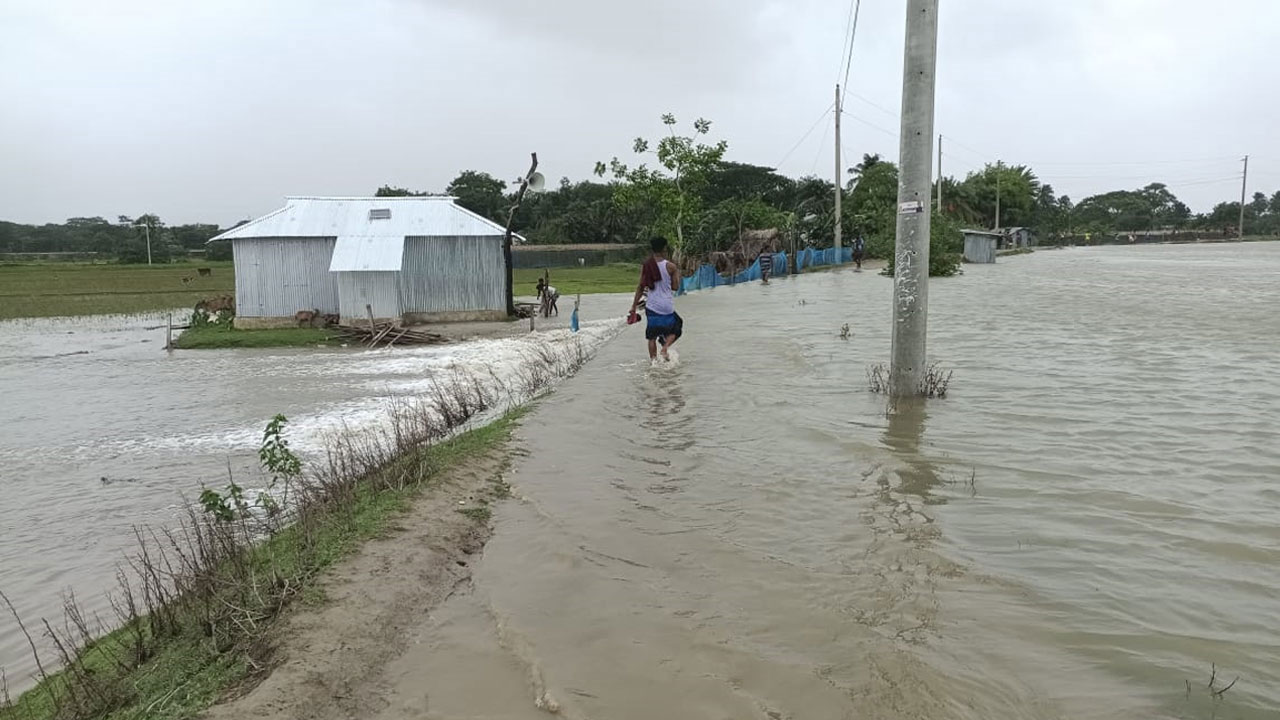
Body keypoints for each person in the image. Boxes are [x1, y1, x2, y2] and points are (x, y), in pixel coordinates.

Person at [630, 236, 683, 361]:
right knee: (677, 327)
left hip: (652, 306)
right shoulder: (671, 267)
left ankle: (653, 362)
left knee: (651, 336)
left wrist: (633, 306)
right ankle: (665, 348)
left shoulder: (646, 265)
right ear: (664, 249)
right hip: (667, 306)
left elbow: (640, 287)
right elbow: (675, 287)